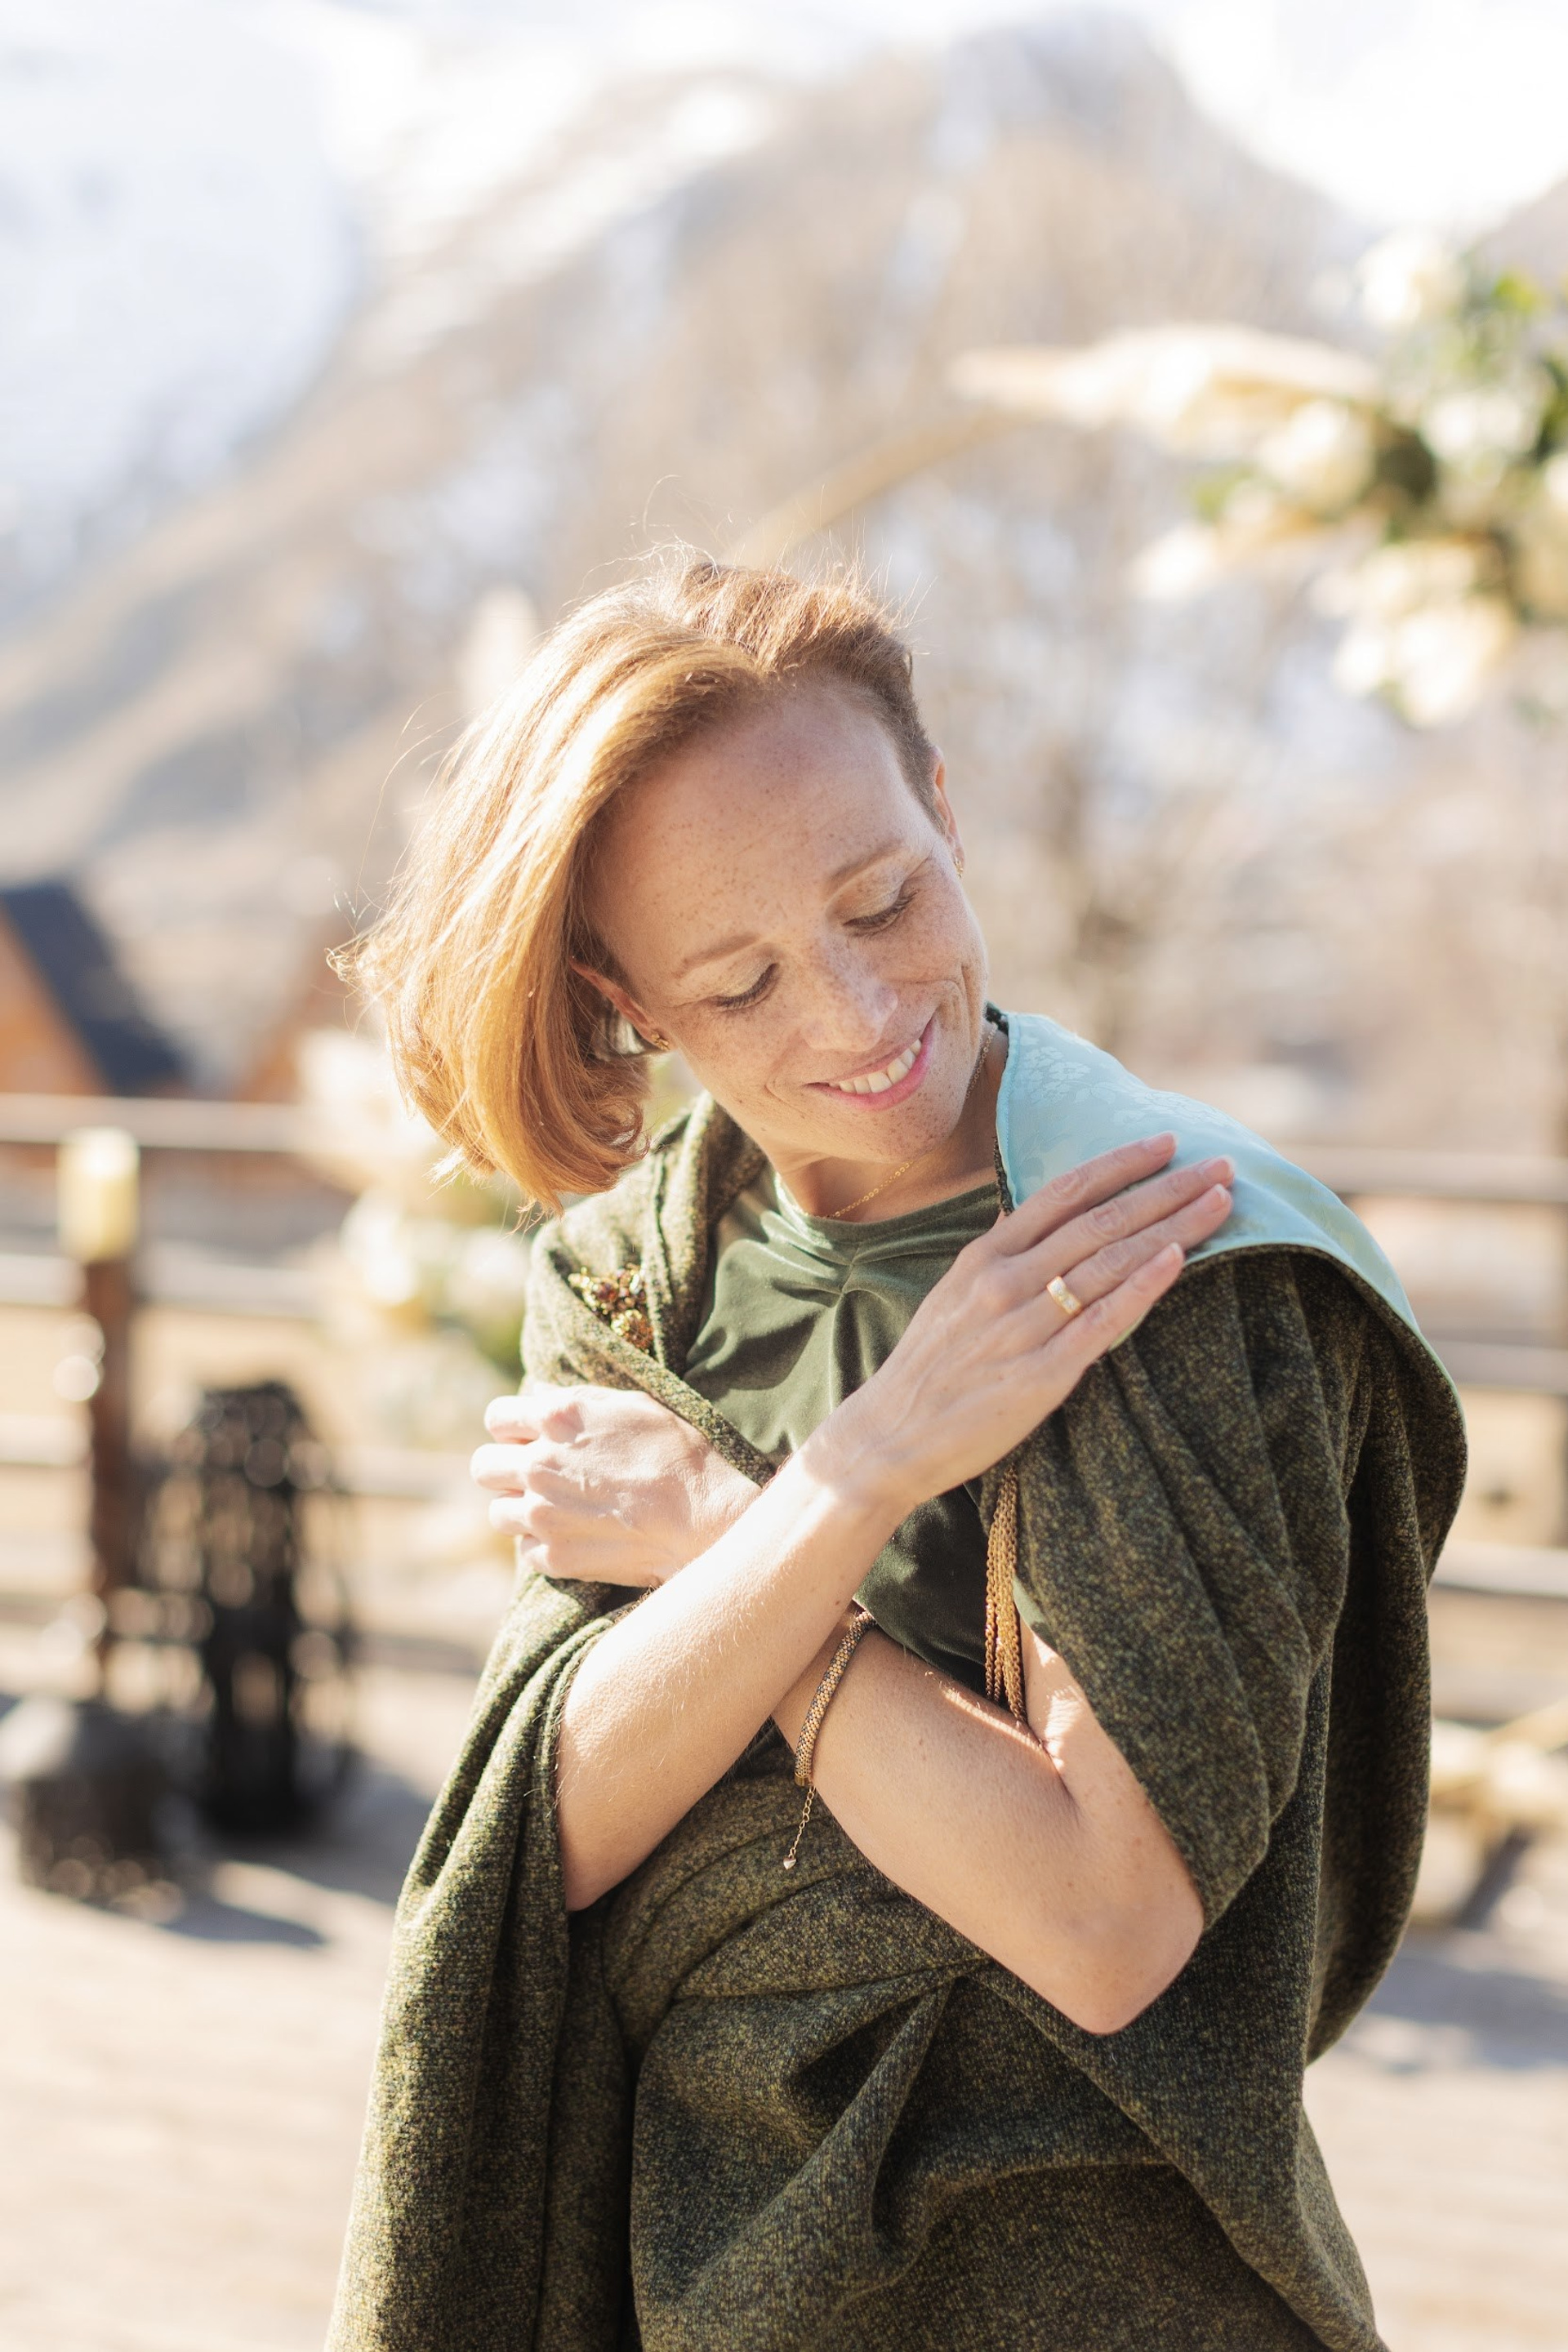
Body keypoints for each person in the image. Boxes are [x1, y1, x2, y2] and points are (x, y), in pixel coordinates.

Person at [330, 559, 1464, 2352]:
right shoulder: (641, 1278)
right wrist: (859, 1478)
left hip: (1096, 2265)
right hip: (696, 2242)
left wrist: (719, 1541)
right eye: (742, 980)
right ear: (630, 999)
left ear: (943, 807)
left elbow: (1100, 1923)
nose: (856, 1015)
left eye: (883, 896)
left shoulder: (1171, 1264)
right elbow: (546, 1835)